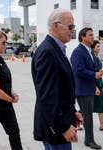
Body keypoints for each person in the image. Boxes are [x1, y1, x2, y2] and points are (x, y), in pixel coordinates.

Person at [31, 8, 82, 150]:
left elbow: (60, 90)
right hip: (55, 127)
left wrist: (72, 112)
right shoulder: (47, 52)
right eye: (70, 26)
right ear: (55, 26)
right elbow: (47, 96)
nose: (73, 30)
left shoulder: (56, 49)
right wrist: (63, 126)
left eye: (74, 27)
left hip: (58, 121)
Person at [70, 27, 103, 150]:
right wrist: (94, 75)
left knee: (86, 114)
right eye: (90, 35)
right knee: (87, 116)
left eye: (92, 34)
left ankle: (84, 137)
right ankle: (89, 141)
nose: (92, 37)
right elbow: (78, 70)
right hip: (82, 89)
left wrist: (95, 82)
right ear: (83, 37)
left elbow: (91, 67)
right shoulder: (78, 52)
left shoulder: (89, 50)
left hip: (89, 87)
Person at [91, 40, 103, 133]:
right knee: (87, 107)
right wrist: (95, 87)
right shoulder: (91, 57)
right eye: (98, 46)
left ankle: (102, 125)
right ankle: (77, 122)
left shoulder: (96, 57)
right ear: (93, 47)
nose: (99, 48)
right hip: (94, 85)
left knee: (100, 105)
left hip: (99, 84)